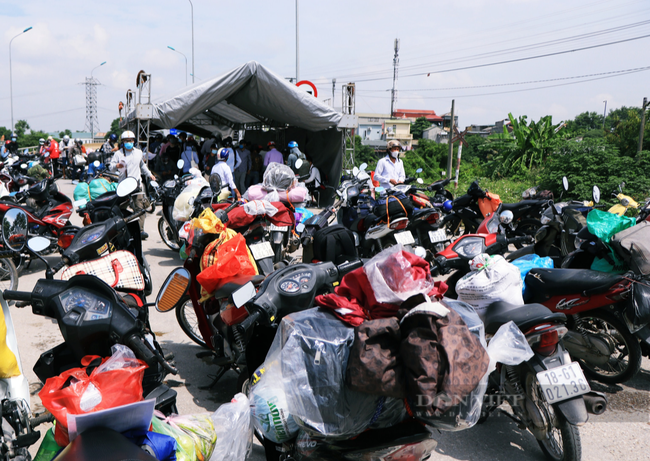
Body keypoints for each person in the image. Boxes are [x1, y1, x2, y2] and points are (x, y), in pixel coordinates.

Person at [109, 130, 156, 240]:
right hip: (123, 186)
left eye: (130, 140)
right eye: (126, 141)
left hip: (136, 185)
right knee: (119, 208)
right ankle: (119, 228)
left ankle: (140, 230)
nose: (128, 142)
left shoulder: (139, 152)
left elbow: (142, 165)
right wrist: (117, 165)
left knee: (140, 208)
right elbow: (111, 166)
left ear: (134, 141)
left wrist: (150, 175)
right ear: (122, 142)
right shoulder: (118, 153)